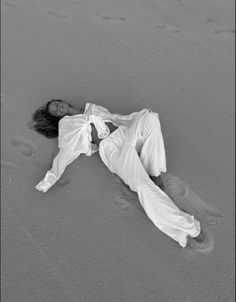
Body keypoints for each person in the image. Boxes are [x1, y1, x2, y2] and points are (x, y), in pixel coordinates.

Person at [29, 99, 218, 251]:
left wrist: (133, 123)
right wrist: (50, 178)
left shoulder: (91, 108)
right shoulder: (67, 125)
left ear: (63, 101)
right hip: (112, 150)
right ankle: (190, 229)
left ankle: (153, 172)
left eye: (57, 104)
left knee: (150, 118)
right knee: (142, 187)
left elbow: (115, 118)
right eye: (55, 111)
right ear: (57, 117)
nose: (59, 108)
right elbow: (66, 152)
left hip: (124, 134)